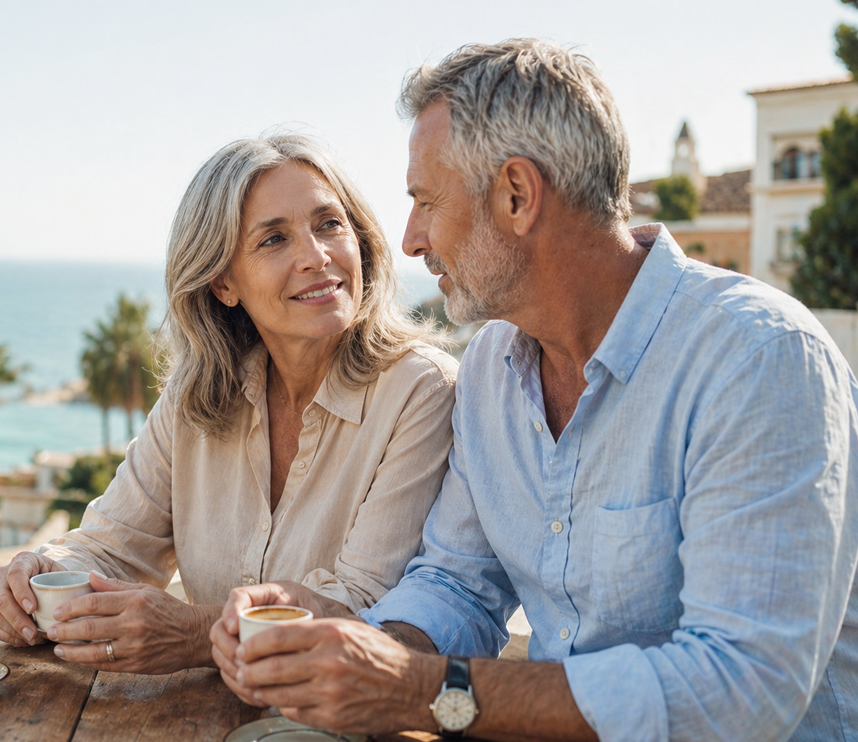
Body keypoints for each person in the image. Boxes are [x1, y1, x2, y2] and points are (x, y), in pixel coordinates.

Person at [211, 40, 858, 741]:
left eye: (426, 201)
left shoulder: (759, 361)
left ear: (517, 195)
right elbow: (459, 583)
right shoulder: (493, 366)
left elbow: (740, 692)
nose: (408, 239)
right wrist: (363, 641)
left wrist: (422, 691)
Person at [0, 133, 458, 675]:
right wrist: (35, 573)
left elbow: (362, 605)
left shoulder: (421, 391)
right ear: (223, 283)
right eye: (274, 239)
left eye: (330, 224)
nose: (317, 257)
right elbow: (113, 547)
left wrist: (196, 634)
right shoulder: (196, 398)